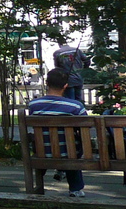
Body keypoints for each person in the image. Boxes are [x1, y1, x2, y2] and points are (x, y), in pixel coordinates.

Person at [28, 67, 87, 197]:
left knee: (46, 141)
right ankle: (75, 189)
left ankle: (38, 185)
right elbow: (85, 128)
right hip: (69, 153)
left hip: (42, 152)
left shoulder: (34, 105)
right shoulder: (76, 107)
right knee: (71, 146)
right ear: (66, 86)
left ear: (47, 83)